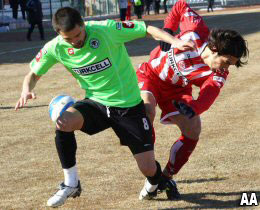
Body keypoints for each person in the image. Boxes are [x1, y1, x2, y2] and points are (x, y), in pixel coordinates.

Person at [15, 7, 194, 207]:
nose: (75, 41)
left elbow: (147, 29)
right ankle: (71, 183)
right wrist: (26, 90)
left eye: (78, 35)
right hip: (97, 103)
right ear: (59, 34)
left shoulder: (106, 29)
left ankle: (158, 182)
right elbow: (32, 74)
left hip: (128, 106)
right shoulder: (55, 47)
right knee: (63, 122)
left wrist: (176, 42)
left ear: (83, 25)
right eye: (69, 39)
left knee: (148, 168)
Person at [136, 0, 248, 200]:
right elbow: (180, 6)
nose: (226, 68)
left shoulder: (218, 74)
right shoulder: (195, 30)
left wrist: (194, 108)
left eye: (231, 65)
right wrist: (169, 28)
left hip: (176, 91)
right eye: (226, 61)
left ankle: (166, 177)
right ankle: (151, 173)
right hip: (150, 76)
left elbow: (209, 94)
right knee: (147, 111)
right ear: (215, 49)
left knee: (193, 128)